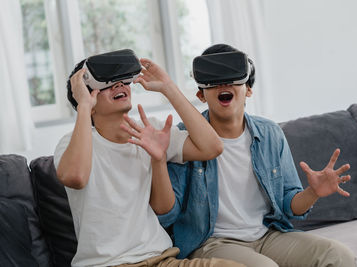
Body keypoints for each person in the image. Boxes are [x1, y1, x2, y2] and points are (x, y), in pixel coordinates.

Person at [158, 44, 357, 267]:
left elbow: (289, 205)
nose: (223, 84)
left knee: (338, 255)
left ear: (249, 90)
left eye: (233, 78)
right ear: (200, 95)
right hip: (211, 242)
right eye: (213, 80)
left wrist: (313, 192)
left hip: (266, 235)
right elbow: (168, 214)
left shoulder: (270, 134)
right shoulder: (182, 139)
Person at [54, 51, 245, 267]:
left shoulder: (149, 130)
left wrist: (167, 88)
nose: (119, 85)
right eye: (107, 82)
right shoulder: (71, 144)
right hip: (107, 263)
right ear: (85, 95)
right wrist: (83, 107)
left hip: (161, 258)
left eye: (122, 80)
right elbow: (76, 177)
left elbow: (212, 147)